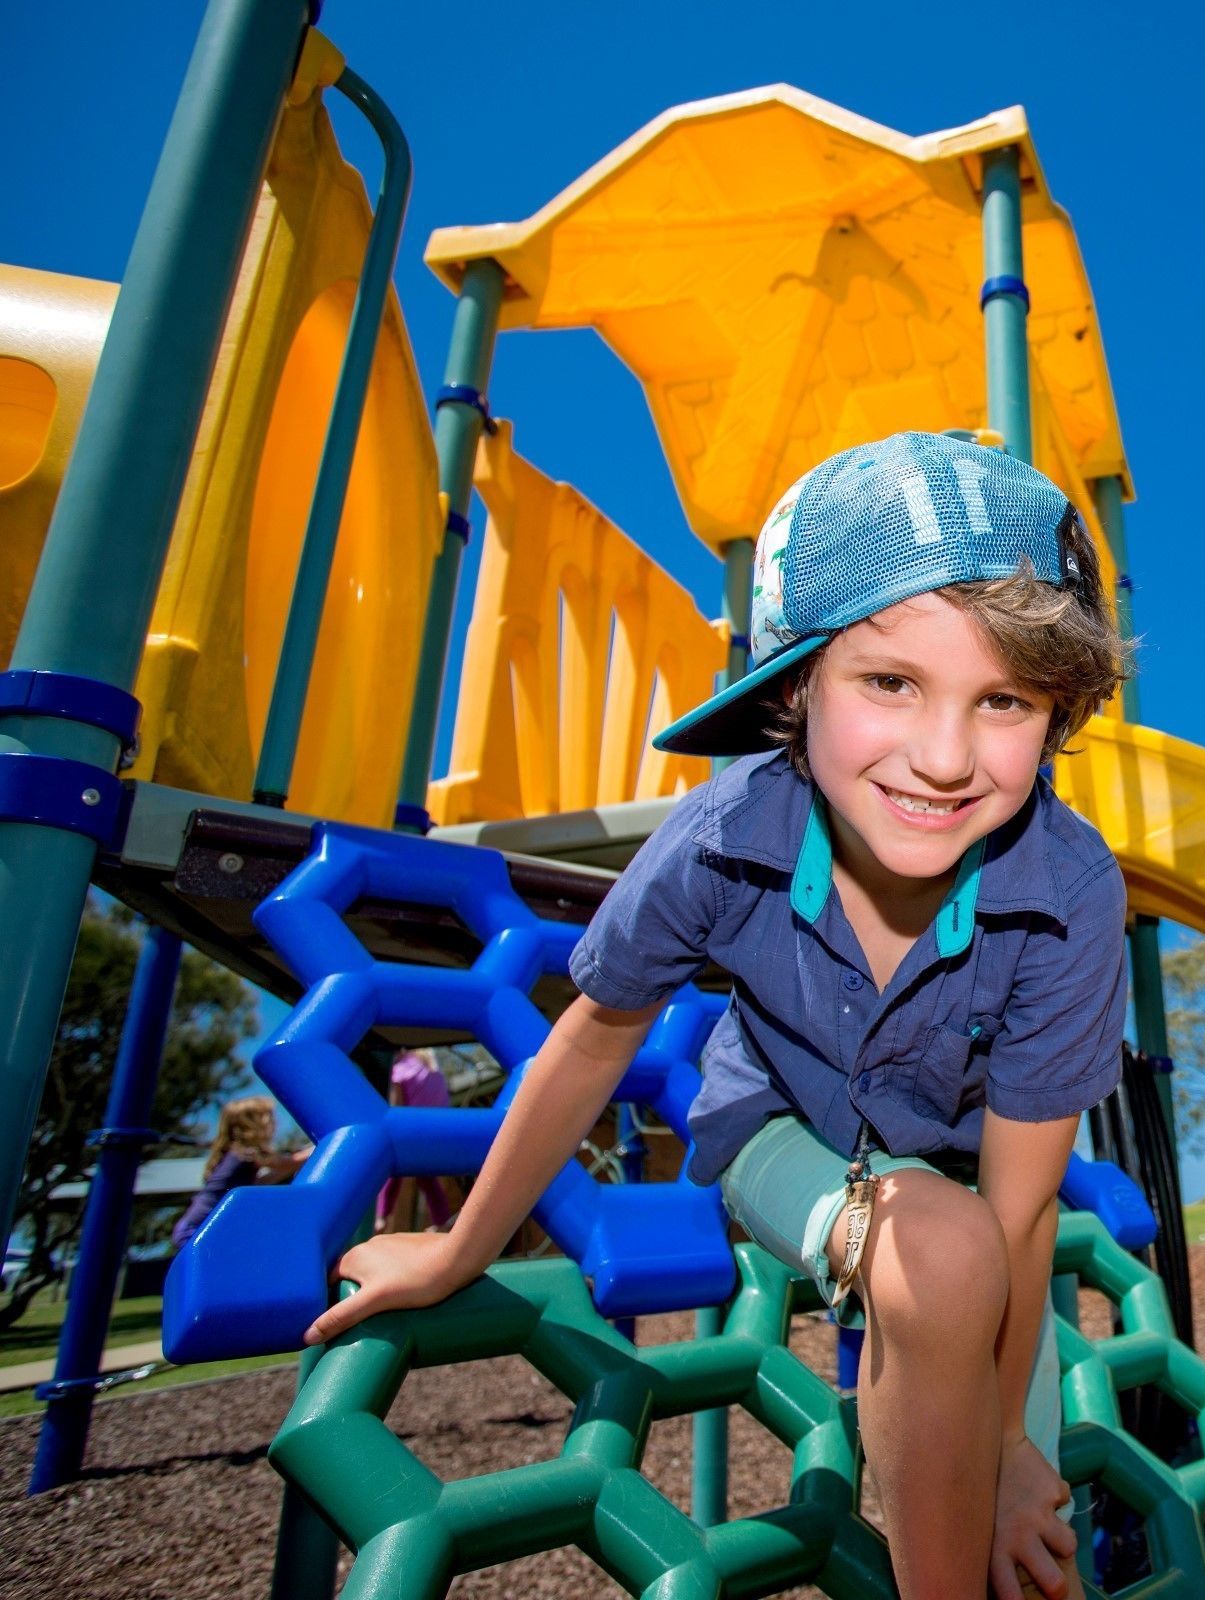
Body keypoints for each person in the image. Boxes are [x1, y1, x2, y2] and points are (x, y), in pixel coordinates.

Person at [304, 432, 1131, 1600]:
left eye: (1003, 699)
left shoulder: (1068, 890)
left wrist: (1005, 1446)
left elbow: (1022, 1201)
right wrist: (458, 1248)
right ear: (797, 685)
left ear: (1055, 716)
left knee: (1032, 1524)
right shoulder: (723, 837)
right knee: (941, 1257)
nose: (944, 757)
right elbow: (591, 1041)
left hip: (962, 1184)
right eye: (890, 683)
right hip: (775, 1135)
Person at [169, 1096, 308, 1252]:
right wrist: (318, 1147)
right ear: (254, 1124)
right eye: (270, 1118)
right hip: (197, 1229)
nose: (275, 1123)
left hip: (195, 1226)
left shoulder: (236, 1155)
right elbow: (288, 1162)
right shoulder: (245, 1153)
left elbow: (266, 1180)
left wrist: (297, 1163)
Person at [375, 1049, 456, 1234]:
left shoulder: (401, 1069)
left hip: (412, 1127)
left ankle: (381, 1218)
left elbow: (396, 1104)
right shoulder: (430, 1068)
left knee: (393, 1168)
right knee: (426, 1177)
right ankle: (442, 1221)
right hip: (438, 1130)